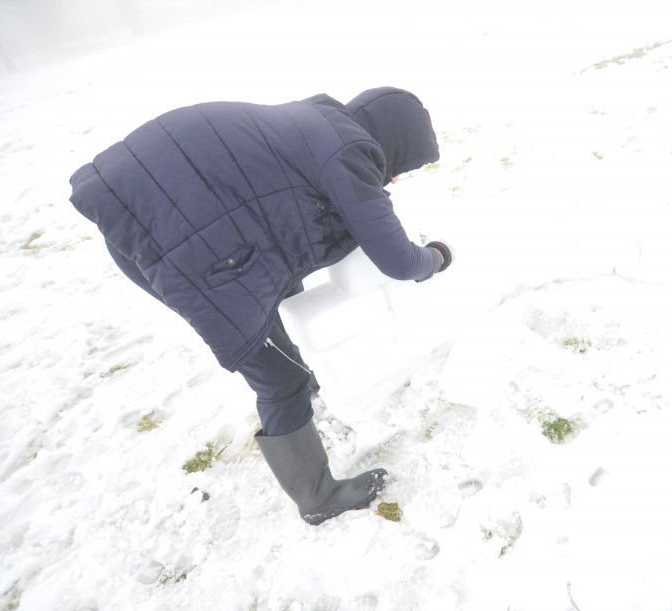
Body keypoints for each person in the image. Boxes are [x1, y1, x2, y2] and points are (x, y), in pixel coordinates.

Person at [68, 87, 453, 525]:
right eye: (405, 167)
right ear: (394, 140)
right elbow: (399, 261)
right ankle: (318, 497)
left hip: (138, 214)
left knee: (273, 284)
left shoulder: (318, 124)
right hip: (174, 235)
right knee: (275, 377)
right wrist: (437, 258)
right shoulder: (349, 152)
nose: (397, 178)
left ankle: (302, 385)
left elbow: (274, 213)